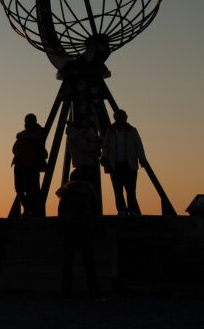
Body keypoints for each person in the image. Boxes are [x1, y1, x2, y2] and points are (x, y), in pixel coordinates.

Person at [57, 169, 101, 299]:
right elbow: (95, 210)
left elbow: (61, 211)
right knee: (88, 263)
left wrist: (60, 228)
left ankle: (66, 292)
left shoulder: (65, 191)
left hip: (69, 229)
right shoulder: (89, 190)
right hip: (84, 229)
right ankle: (94, 292)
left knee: (67, 262)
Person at [101, 110, 147, 216]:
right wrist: (104, 156)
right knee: (118, 189)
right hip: (115, 164)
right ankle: (122, 210)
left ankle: (131, 210)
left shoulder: (132, 131)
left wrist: (142, 158)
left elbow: (138, 145)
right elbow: (106, 146)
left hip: (129, 164)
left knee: (130, 189)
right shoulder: (110, 131)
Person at [12, 114, 48, 216]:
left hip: (31, 165)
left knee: (31, 189)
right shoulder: (24, 134)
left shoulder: (38, 132)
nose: (26, 124)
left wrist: (21, 136)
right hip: (20, 164)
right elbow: (14, 149)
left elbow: (35, 137)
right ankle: (28, 208)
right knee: (19, 188)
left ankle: (31, 209)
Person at [66, 116, 102, 204]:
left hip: (85, 163)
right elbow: (86, 147)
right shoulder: (75, 135)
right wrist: (99, 144)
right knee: (87, 188)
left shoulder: (78, 133)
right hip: (83, 164)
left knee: (88, 188)